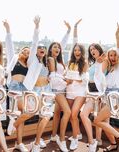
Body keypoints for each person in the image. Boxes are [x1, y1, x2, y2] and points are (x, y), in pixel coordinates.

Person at [3, 16, 40, 152]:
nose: (26, 51)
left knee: (29, 111)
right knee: (25, 111)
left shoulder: (29, 63)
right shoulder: (14, 58)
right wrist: (8, 29)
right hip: (14, 87)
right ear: (20, 52)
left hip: (24, 88)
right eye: (24, 50)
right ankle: (16, 132)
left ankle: (18, 141)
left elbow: (35, 44)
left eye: (28, 51)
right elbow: (9, 44)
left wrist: (36, 27)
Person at [94, 23, 119, 152]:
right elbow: (99, 78)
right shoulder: (109, 69)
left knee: (97, 121)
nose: (113, 57)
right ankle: (114, 144)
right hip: (106, 97)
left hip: (115, 98)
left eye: (115, 55)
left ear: (118, 56)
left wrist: (117, 35)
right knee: (105, 123)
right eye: (111, 55)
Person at [64, 19, 88, 150]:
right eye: (75, 50)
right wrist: (67, 80)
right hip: (69, 91)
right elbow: (69, 78)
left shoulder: (84, 63)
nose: (76, 52)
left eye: (79, 50)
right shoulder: (70, 62)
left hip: (80, 92)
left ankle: (74, 139)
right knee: (70, 115)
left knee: (74, 114)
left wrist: (75, 27)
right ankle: (77, 133)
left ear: (82, 52)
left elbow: (83, 79)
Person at [47, 22, 71, 151]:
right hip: (57, 90)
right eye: (55, 47)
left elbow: (63, 43)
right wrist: (66, 81)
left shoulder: (59, 60)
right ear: (50, 49)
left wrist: (68, 31)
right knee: (67, 112)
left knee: (57, 113)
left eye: (59, 47)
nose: (58, 48)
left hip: (62, 89)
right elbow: (53, 76)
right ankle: (62, 140)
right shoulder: (51, 59)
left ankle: (53, 136)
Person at [80, 42, 105, 152]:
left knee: (97, 118)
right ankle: (92, 141)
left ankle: (98, 139)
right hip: (91, 93)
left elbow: (102, 78)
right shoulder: (93, 63)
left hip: (99, 94)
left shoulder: (104, 61)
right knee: (83, 115)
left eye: (94, 48)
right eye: (90, 50)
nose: (92, 51)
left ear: (99, 49)